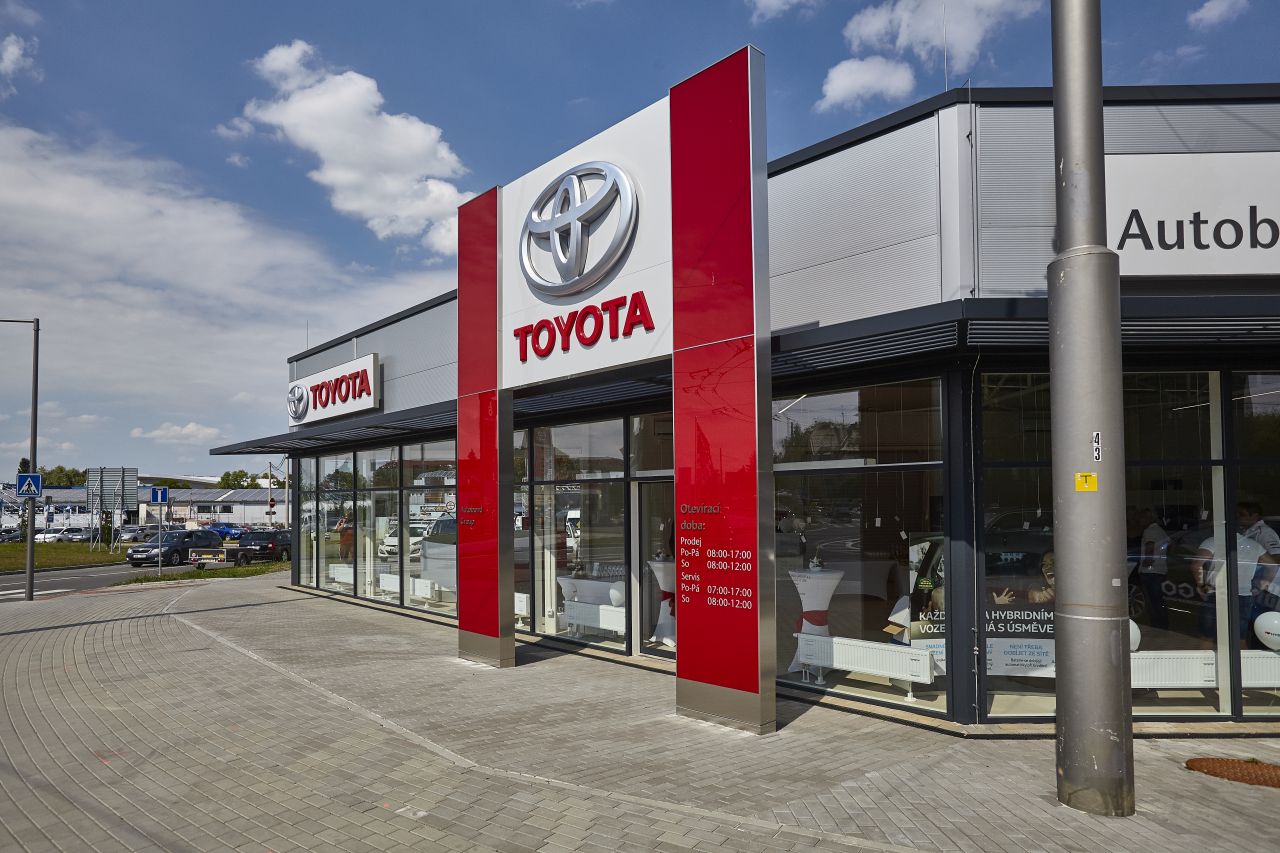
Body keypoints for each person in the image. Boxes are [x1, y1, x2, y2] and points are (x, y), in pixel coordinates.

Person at [1192, 531, 1278, 643]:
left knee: (1207, 637)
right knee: (1239, 639)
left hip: (1216, 593)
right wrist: (1261, 586)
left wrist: (1201, 586)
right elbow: (1273, 566)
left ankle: (1210, 655)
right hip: (1243, 595)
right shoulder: (1254, 545)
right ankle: (1237, 654)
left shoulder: (1212, 541)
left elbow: (1196, 565)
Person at [1137, 509, 1170, 630]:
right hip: (1160, 570)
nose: (1140, 521)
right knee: (1159, 601)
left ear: (1149, 518)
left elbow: (1149, 546)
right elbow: (1168, 545)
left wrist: (1147, 561)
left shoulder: (1149, 531)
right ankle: (1163, 625)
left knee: (1152, 602)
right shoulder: (1161, 531)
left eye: (1142, 518)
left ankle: (1156, 627)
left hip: (1150, 572)